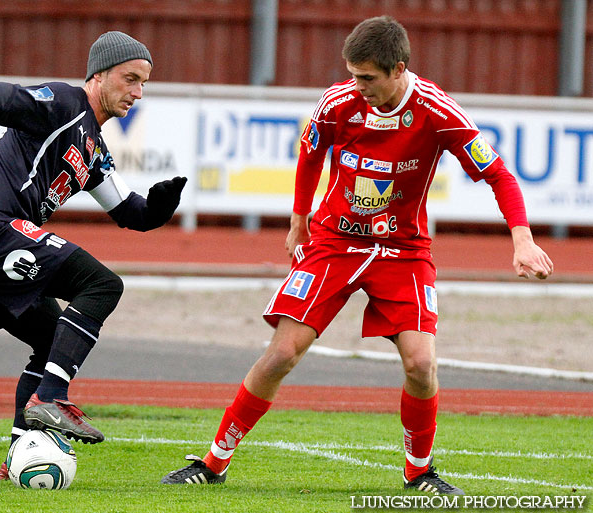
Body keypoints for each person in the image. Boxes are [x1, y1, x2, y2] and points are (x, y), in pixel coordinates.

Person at [160, 16, 553, 494]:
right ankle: (213, 463)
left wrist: (522, 238)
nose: (356, 85)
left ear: (398, 69)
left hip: (404, 251)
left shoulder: (437, 111)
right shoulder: (338, 103)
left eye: (366, 77)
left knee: (421, 365)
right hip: (334, 242)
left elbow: (499, 175)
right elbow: (310, 154)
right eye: (352, 74)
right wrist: (298, 220)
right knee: (282, 352)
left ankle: (420, 472)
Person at [0, 31, 187, 480]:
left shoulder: (93, 148)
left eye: (144, 83)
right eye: (130, 78)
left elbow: (130, 213)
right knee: (103, 284)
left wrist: (159, 208)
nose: (137, 91)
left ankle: (18, 456)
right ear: (98, 76)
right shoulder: (65, 103)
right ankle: (50, 397)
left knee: (50, 342)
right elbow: (10, 99)